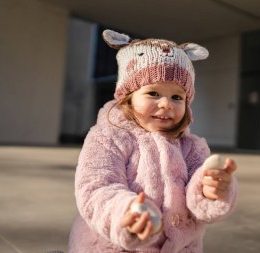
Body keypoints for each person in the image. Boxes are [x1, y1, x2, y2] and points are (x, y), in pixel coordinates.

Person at [68, 29, 238, 253]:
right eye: (153, 94)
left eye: (177, 97)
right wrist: (126, 213)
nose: (167, 104)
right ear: (127, 97)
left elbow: (200, 202)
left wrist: (212, 189)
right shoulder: (107, 137)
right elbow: (97, 187)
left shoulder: (193, 147)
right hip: (114, 246)